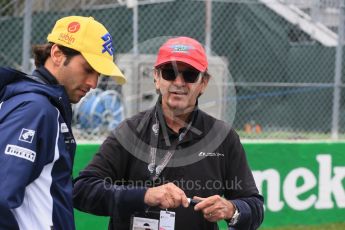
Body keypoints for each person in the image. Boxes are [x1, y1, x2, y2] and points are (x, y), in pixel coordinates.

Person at [73, 36, 264, 230]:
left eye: (189, 75)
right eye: (169, 73)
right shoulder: (129, 132)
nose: (178, 82)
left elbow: (254, 207)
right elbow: (82, 190)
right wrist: (145, 195)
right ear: (156, 77)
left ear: (203, 83)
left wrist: (232, 209)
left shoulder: (223, 136)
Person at [0, 16, 126, 229]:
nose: (94, 83)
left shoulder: (40, 104)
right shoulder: (36, 108)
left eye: (99, 74)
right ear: (57, 54)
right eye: (88, 69)